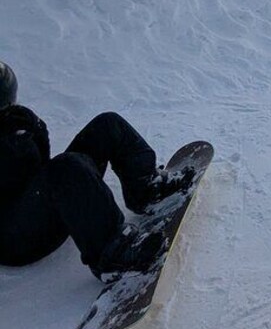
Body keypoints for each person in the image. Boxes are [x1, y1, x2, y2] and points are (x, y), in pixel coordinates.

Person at [0, 61, 192, 281]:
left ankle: (145, 187)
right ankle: (112, 255)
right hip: (17, 241)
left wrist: (33, 130)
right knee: (66, 167)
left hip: (40, 208)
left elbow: (38, 164)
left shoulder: (12, 121)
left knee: (107, 125)